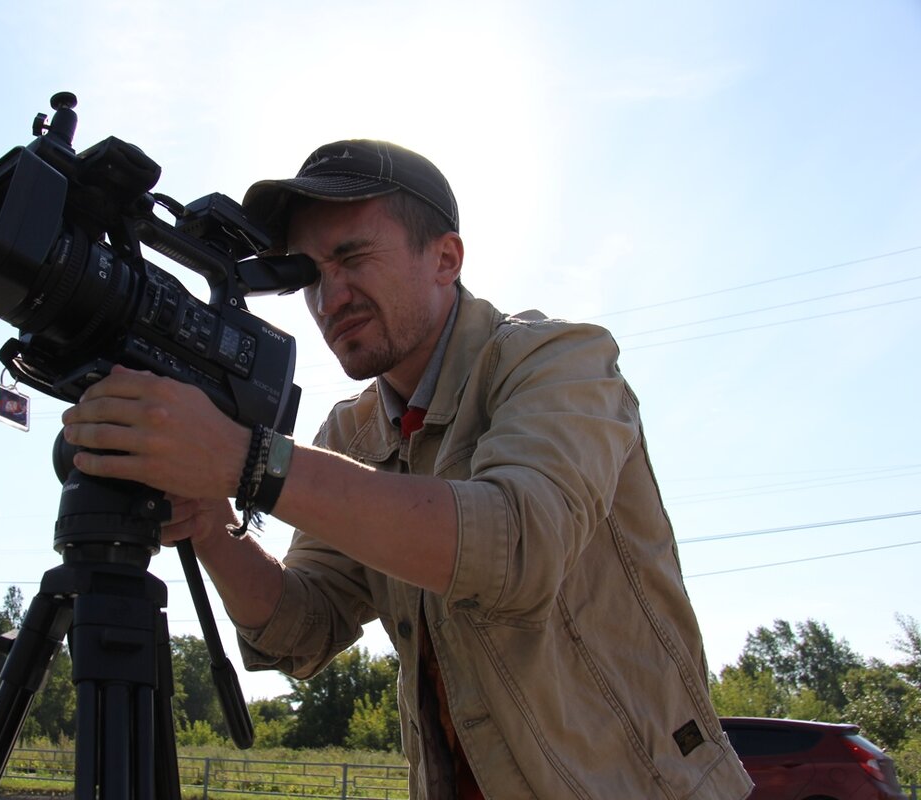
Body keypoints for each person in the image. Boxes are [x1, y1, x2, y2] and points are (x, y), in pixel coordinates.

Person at [61, 140, 754, 799]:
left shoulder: (559, 359)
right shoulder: (350, 434)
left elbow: (517, 547)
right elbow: (304, 627)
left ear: (445, 258)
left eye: (353, 256)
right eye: (310, 275)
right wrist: (210, 525)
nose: (329, 299)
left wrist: (246, 461)